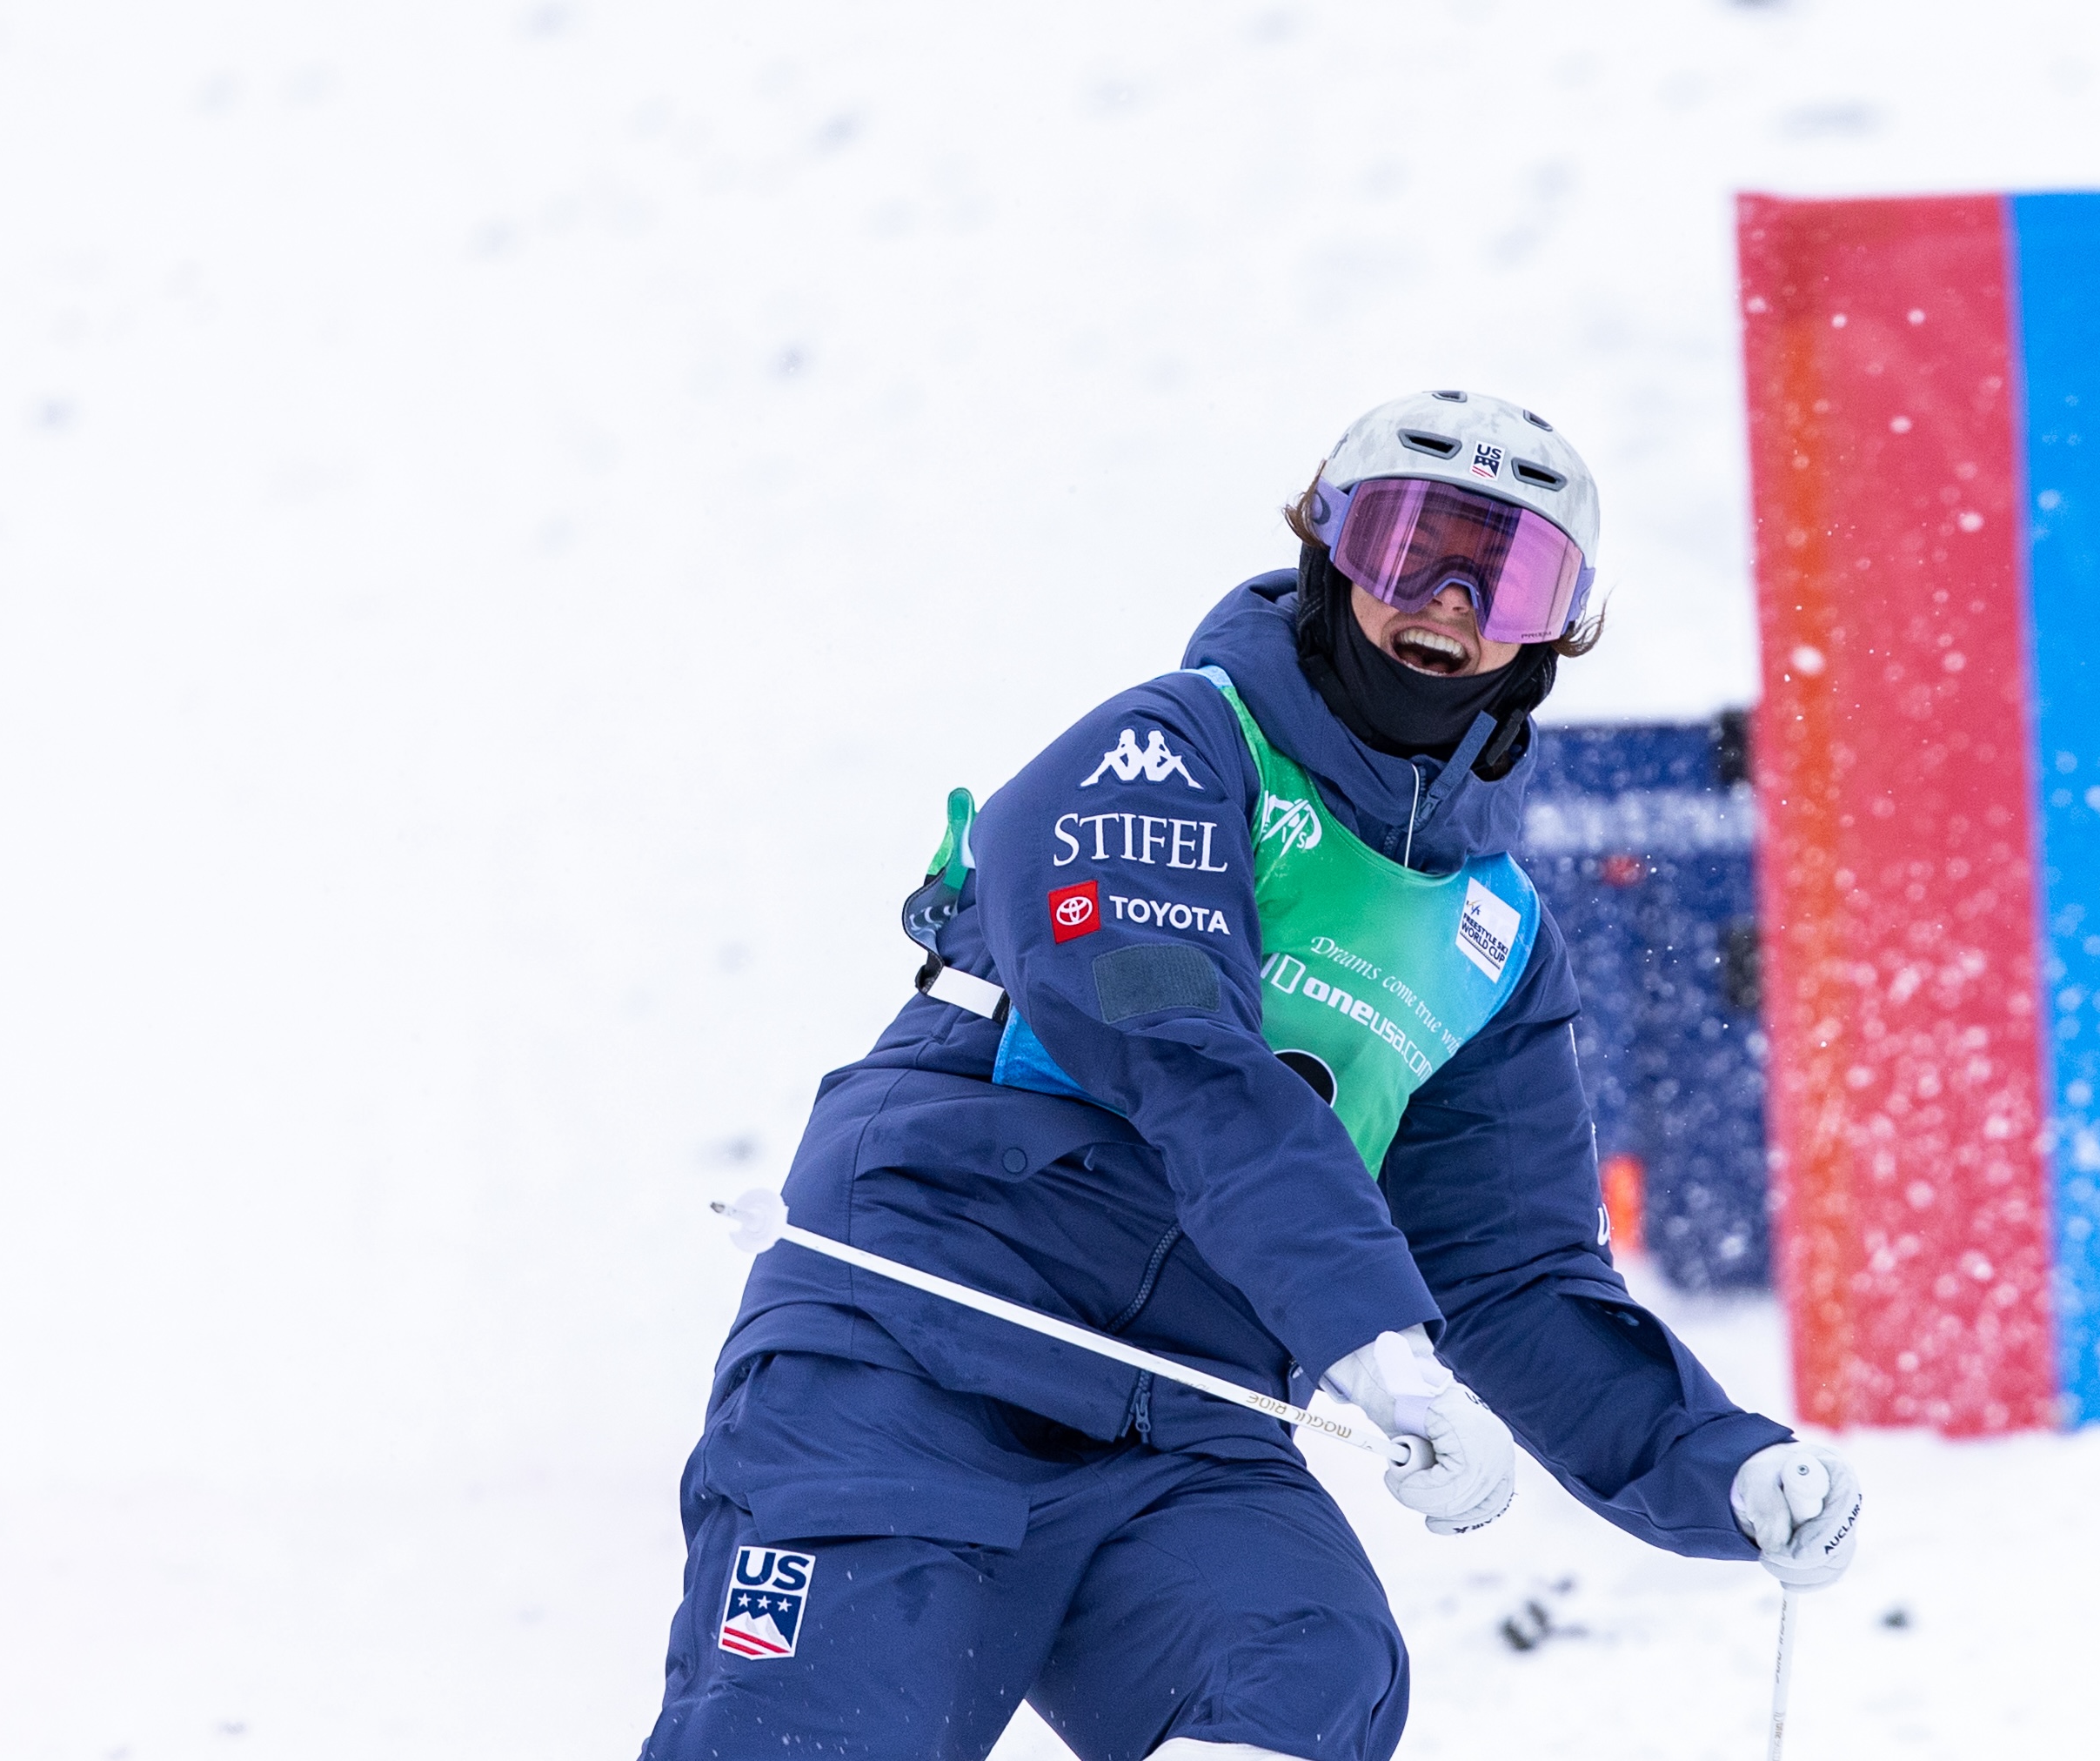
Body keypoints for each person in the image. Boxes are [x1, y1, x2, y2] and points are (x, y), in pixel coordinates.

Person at [639, 391, 1862, 1761]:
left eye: (1506, 573)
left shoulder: (1498, 939)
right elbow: (1186, 1062)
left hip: (1180, 1423)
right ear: (1332, 551)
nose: (1449, 601)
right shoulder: (1168, 750)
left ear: (1548, 631)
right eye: (1412, 547)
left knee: (1311, 1671)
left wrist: (1718, 1460)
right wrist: (1381, 1363)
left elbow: (1512, 1270)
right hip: (919, 1357)